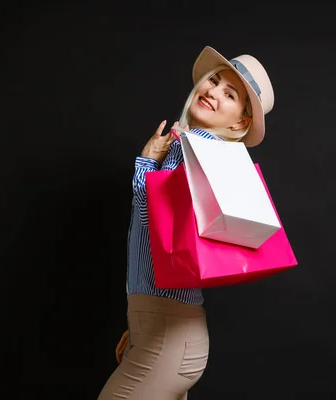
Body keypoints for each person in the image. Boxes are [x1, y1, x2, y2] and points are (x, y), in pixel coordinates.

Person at [96, 45, 275, 400]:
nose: (212, 92)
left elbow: (153, 222)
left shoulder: (189, 145)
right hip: (170, 332)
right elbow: (167, 247)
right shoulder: (211, 154)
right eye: (214, 81)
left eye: (229, 94)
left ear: (240, 121)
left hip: (166, 340)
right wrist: (141, 326)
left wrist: (146, 164)